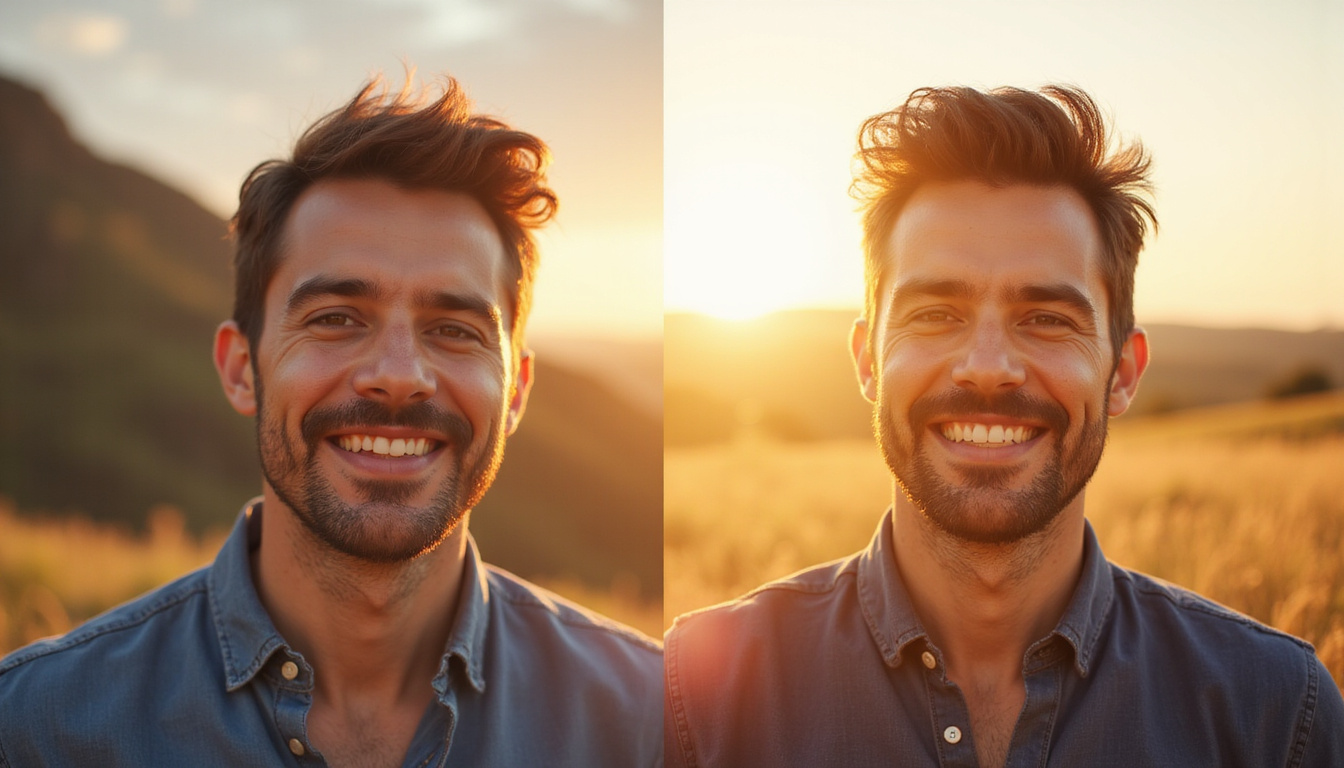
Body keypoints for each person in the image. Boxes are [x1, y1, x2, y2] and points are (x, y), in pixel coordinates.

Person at [662, 85, 1344, 767]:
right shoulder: (698, 701)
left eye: (1046, 319)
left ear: (1123, 373)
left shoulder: (1276, 714)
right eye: (936, 314)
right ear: (868, 361)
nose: (988, 369)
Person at [0, 77, 662, 767]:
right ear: (241, 368)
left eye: (454, 329)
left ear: (516, 390)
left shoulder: (647, 725)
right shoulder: (38, 731)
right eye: (336, 319)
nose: (400, 374)